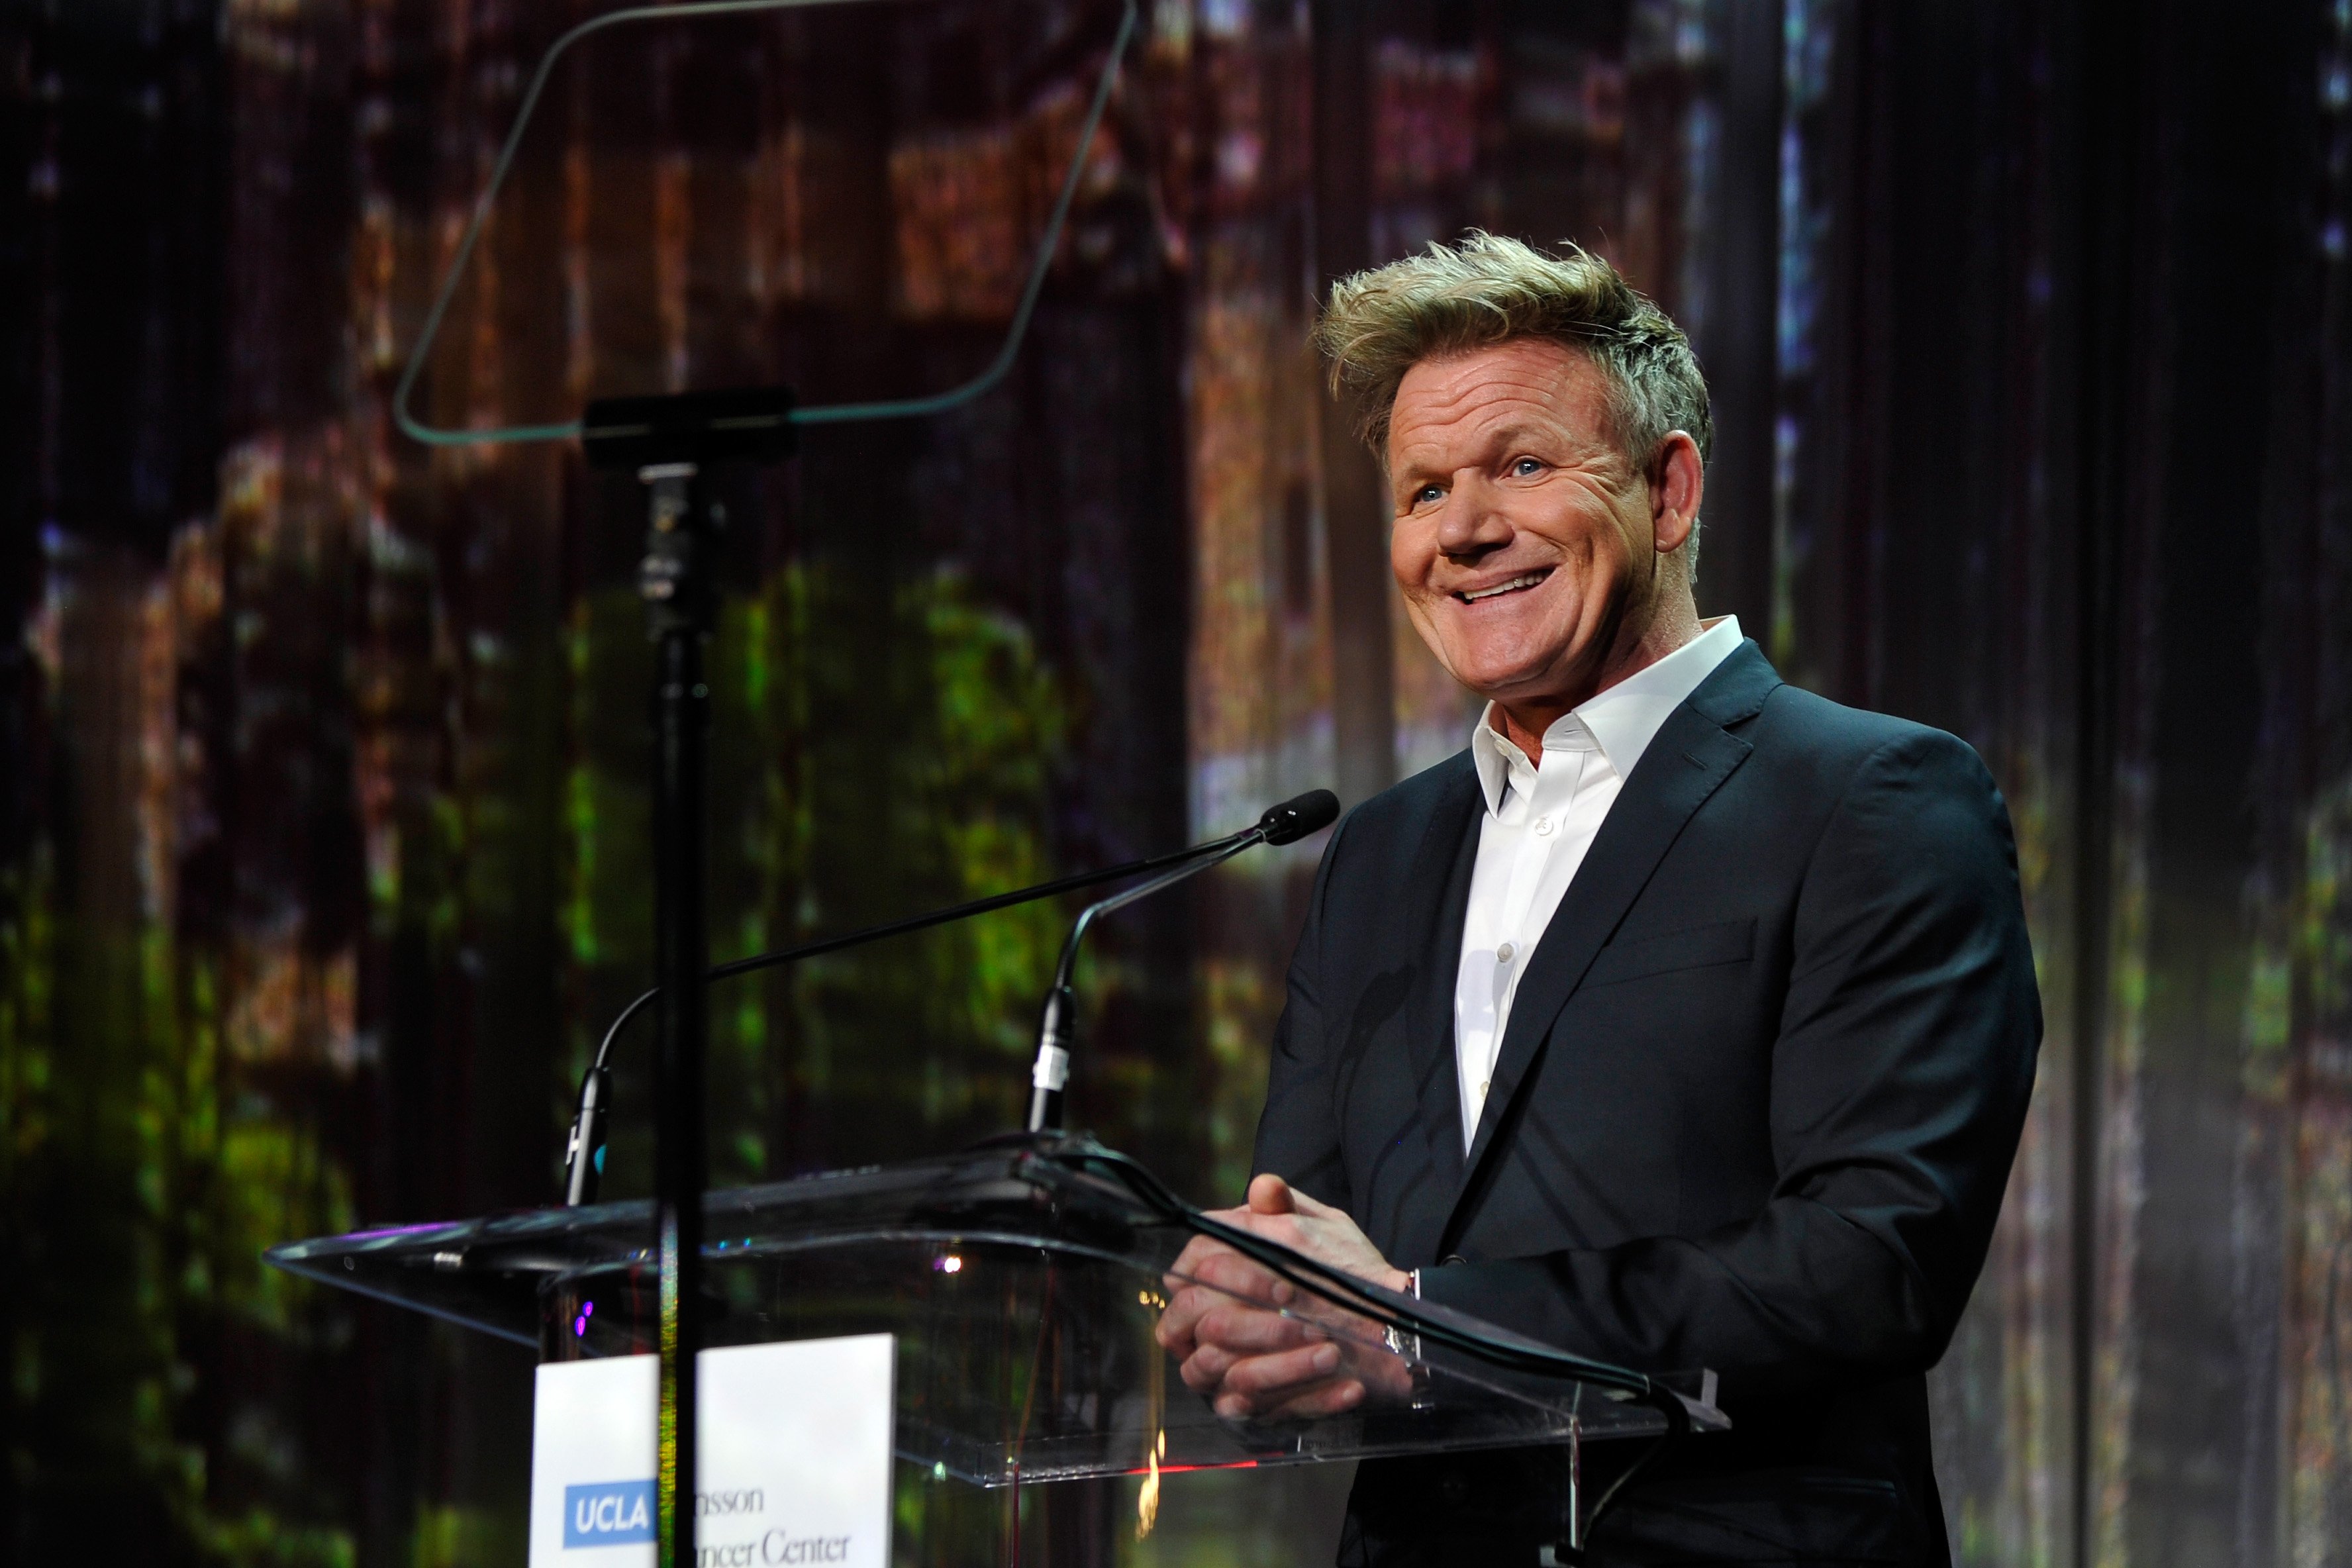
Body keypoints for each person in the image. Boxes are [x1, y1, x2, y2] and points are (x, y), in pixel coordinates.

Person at [1154, 233, 2041, 1565]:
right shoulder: (1379, 853)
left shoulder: (1876, 797)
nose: (1463, 527)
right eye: (1424, 487)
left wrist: (1413, 1322)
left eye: (1520, 464)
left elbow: (1873, 1260)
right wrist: (1250, 1304)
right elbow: (1308, 1242)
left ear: (1670, 490)